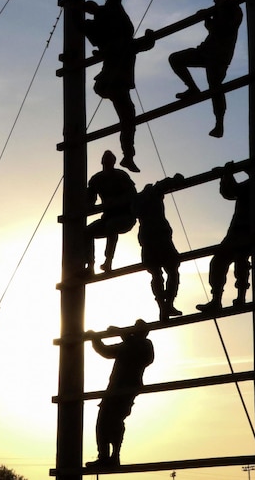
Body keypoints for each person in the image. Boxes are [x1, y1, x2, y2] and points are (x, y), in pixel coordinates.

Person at [84, 0, 153, 172]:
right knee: (128, 119)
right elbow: (143, 44)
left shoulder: (122, 39)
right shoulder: (114, 39)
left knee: (128, 119)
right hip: (110, 83)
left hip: (113, 84)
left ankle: (128, 156)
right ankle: (128, 156)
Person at [169, 0, 243, 138]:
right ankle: (192, 88)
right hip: (205, 51)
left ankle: (219, 124)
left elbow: (223, 29)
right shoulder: (219, 10)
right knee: (175, 59)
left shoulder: (233, 9)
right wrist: (208, 17)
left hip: (219, 57)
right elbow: (214, 29)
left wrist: (210, 16)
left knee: (215, 87)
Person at [86, 321, 155, 469]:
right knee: (102, 422)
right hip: (114, 389)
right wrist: (95, 338)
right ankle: (104, 457)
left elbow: (141, 353)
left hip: (126, 390)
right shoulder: (126, 345)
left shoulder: (145, 345)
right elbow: (105, 351)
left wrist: (120, 332)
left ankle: (113, 456)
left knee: (115, 421)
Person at [197, 164, 251, 312]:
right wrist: (226, 175)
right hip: (237, 230)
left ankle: (239, 298)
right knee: (219, 262)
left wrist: (227, 174)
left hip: (247, 230)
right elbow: (229, 192)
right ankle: (218, 300)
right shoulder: (250, 184)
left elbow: (232, 191)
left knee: (241, 262)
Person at [132, 175, 184, 321]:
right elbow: (169, 183)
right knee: (172, 270)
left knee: (157, 274)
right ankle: (167, 304)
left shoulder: (136, 200)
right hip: (160, 237)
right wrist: (177, 178)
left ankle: (163, 306)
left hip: (147, 238)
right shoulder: (153, 191)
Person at [85, 150, 137, 273]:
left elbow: (132, 195)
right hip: (108, 218)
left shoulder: (121, 176)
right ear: (102, 162)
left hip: (125, 217)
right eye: (106, 160)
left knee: (112, 226)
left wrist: (115, 201)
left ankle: (108, 262)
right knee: (87, 232)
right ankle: (90, 266)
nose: (108, 163)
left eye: (110, 160)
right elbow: (90, 199)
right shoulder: (96, 179)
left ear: (114, 162)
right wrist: (89, 205)